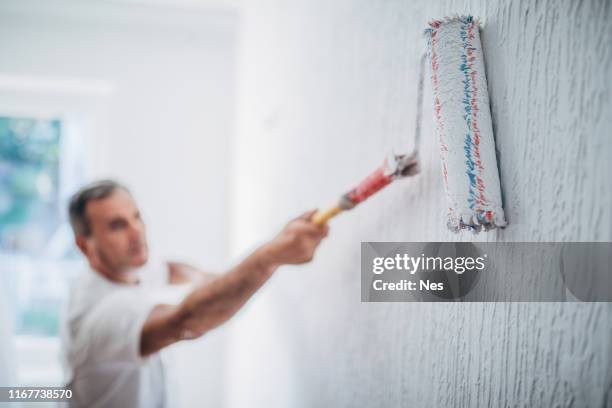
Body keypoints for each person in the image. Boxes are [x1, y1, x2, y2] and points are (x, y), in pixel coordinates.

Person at [61, 180, 328, 408]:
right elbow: (184, 322)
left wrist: (209, 279)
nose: (137, 232)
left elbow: (170, 268)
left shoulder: (125, 267)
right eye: (117, 225)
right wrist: (269, 257)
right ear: (85, 246)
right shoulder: (99, 317)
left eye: (137, 217)